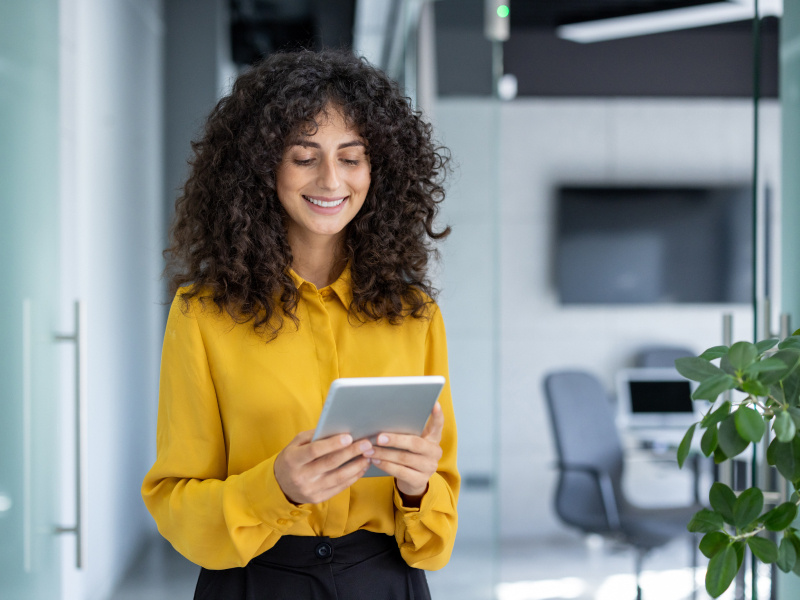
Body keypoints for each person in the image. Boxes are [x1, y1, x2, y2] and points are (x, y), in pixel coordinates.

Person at [141, 49, 459, 599]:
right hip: (255, 579)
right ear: (263, 167)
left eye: (351, 157)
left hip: (384, 581)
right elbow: (176, 506)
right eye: (304, 156)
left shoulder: (415, 316)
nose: (331, 179)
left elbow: (437, 540)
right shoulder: (202, 316)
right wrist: (275, 489)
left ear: (377, 169)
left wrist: (415, 488)